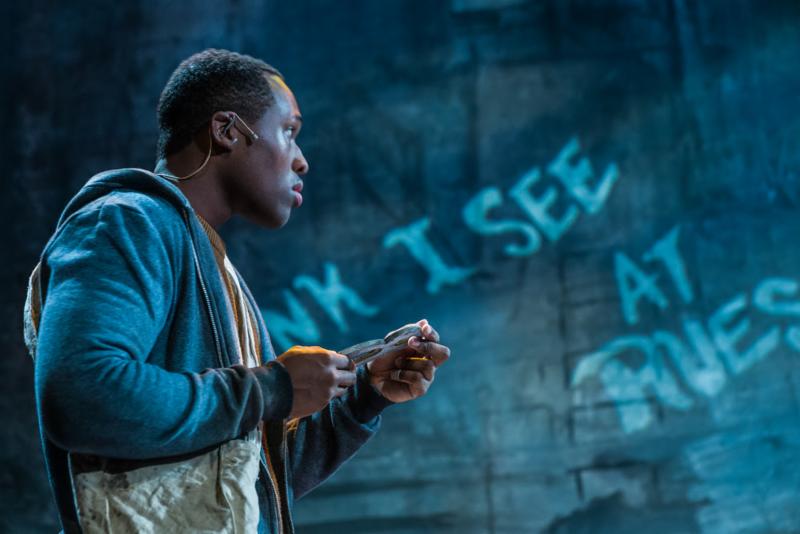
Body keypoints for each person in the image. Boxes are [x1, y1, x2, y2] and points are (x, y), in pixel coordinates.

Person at [23, 49, 451, 533]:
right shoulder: (126, 222)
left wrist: (365, 395)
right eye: (288, 131)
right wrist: (272, 388)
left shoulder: (216, 268)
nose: (302, 161)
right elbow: (82, 398)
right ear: (227, 130)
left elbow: (250, 484)